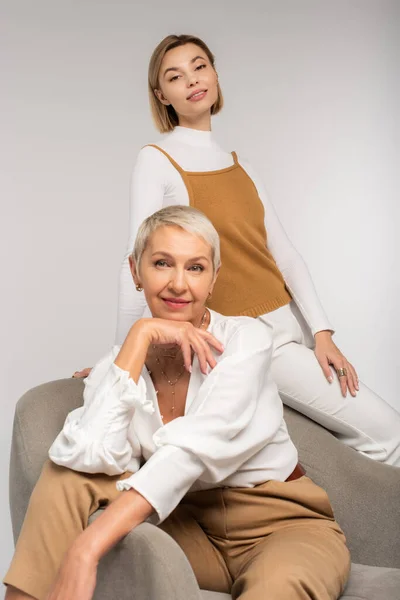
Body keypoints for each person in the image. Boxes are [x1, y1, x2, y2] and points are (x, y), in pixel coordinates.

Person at [76, 33, 400, 464]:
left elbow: (283, 253)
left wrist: (322, 333)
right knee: (388, 436)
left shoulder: (239, 163)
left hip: (291, 330)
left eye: (200, 66)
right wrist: (122, 361)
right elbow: (135, 265)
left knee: (350, 440)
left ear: (214, 72)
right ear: (162, 95)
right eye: (176, 77)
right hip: (248, 340)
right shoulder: (157, 160)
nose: (192, 80)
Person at [4, 206, 350, 600]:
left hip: (282, 527)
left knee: (277, 589)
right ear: (136, 272)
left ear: (214, 278)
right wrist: (139, 336)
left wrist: (86, 549)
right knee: (67, 476)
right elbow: (86, 455)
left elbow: (192, 451)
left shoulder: (246, 340)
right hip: (186, 526)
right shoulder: (117, 366)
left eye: (196, 268)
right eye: (162, 263)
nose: (178, 284)